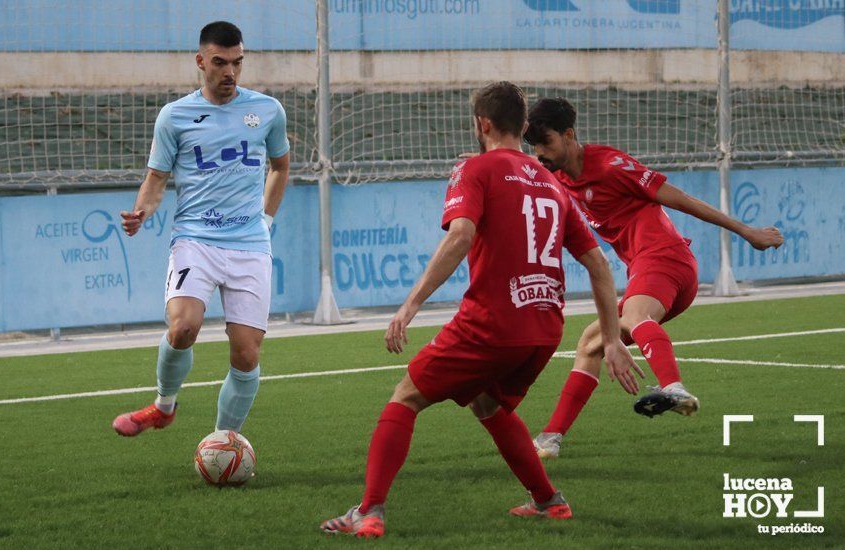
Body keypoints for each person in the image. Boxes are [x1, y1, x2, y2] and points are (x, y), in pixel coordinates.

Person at [320, 82, 640, 538]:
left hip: (493, 322)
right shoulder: (553, 182)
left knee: (406, 395)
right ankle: (549, 501)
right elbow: (599, 265)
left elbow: (460, 236)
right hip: (544, 327)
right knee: (488, 403)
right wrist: (610, 339)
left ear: (483, 124)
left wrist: (408, 306)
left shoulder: (476, 168)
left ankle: (368, 512)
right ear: (523, 126)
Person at [524, 97, 784, 459]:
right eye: (533, 146)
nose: (540, 153)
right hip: (650, 271)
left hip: (665, 258)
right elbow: (519, 170)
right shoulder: (556, 173)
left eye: (546, 143)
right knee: (591, 343)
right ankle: (549, 439)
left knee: (632, 318)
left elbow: (678, 198)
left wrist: (746, 230)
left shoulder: (611, 165)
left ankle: (673, 387)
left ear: (569, 135)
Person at [111, 21, 291, 438]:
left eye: (237, 63)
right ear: (201, 62)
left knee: (246, 354)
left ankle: (221, 442)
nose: (230, 72)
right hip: (196, 239)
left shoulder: (267, 111)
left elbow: (280, 168)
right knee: (184, 326)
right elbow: (156, 179)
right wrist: (142, 211)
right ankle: (163, 405)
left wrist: (264, 221)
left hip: (249, 245)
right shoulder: (174, 117)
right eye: (220, 62)